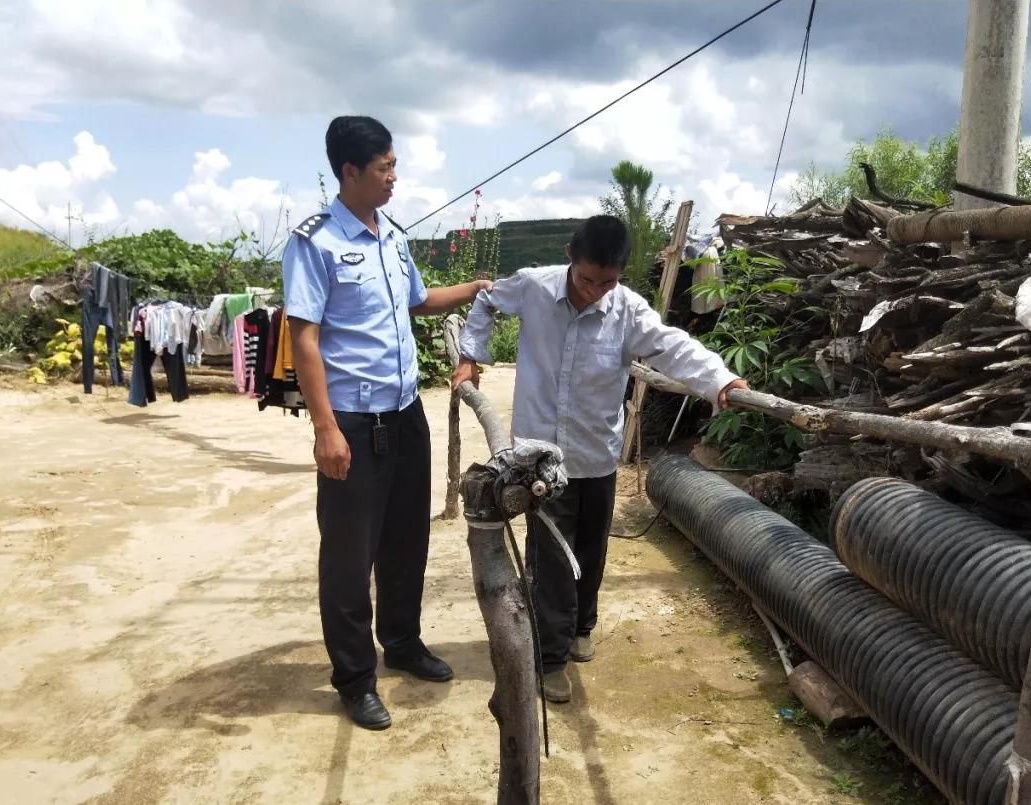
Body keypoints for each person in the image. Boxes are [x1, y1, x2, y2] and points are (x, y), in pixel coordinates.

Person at [453, 215, 747, 703]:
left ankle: (580, 626)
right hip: (540, 458)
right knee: (550, 557)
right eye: (587, 279)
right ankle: (549, 658)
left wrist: (720, 380)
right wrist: (472, 354)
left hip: (596, 454)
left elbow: (673, 347)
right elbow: (486, 299)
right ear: (571, 255)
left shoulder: (628, 310)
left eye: (606, 282)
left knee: (590, 550)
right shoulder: (532, 287)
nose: (594, 292)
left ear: (621, 274)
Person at [282, 115, 491, 731]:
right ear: (350, 171)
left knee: (407, 539)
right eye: (385, 167)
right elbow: (305, 336)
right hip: (351, 418)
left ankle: (401, 643)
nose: (394, 177)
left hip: (404, 414)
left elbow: (417, 302)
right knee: (349, 555)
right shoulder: (315, 241)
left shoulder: (392, 237)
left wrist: (475, 288)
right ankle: (354, 678)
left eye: (394, 165)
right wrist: (325, 428)